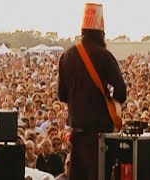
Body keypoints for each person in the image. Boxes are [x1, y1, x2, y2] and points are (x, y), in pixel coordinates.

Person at [57, 3, 126, 180]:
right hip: (99, 136)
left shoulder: (66, 56)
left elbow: (62, 95)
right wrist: (104, 95)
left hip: (77, 134)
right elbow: (121, 92)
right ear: (100, 32)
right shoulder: (104, 55)